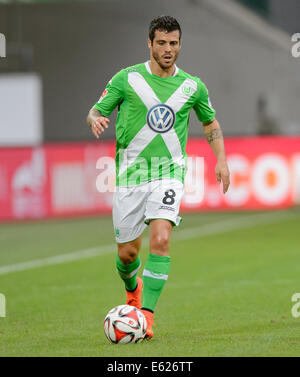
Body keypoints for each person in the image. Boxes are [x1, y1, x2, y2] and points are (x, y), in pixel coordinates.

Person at [87, 15, 230, 340]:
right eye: (162, 43)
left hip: (168, 173)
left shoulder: (193, 86)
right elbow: (96, 110)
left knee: (162, 239)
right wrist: (95, 119)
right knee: (127, 255)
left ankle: (147, 317)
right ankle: (132, 288)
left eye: (174, 43)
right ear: (149, 43)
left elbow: (210, 123)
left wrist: (221, 159)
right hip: (130, 176)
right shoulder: (127, 78)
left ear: (180, 44)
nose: (168, 49)